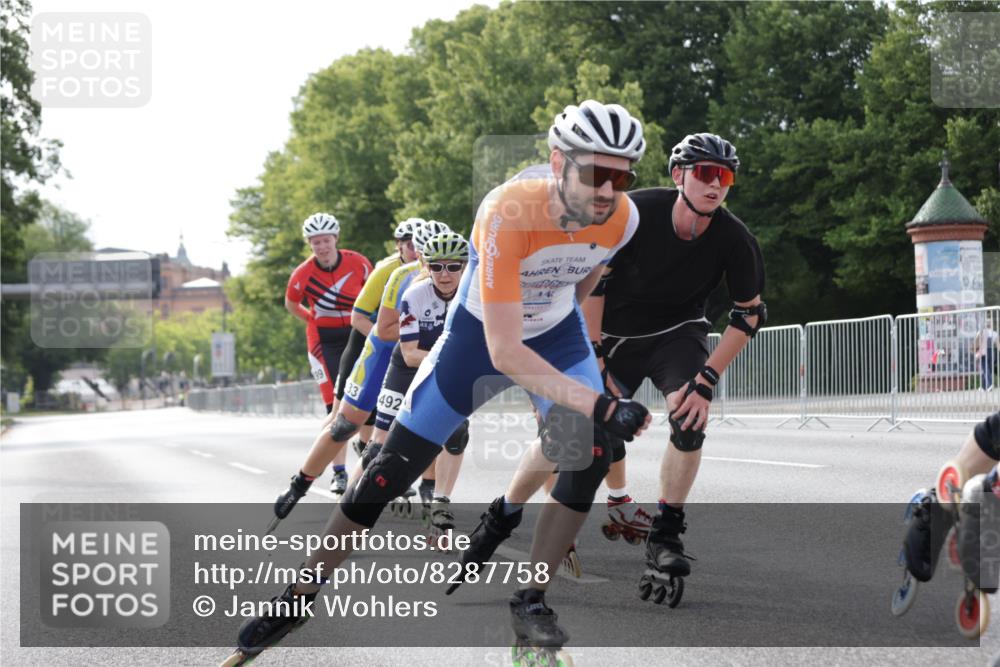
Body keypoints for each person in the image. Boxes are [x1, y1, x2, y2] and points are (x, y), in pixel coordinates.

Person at [230, 100, 651, 658]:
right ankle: (300, 594)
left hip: (556, 332)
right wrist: (598, 403)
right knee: (384, 474)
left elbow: (586, 277)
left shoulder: (625, 217)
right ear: (557, 162)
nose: (608, 190)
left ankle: (531, 599)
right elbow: (503, 349)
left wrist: (568, 376)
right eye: (596, 173)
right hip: (479, 336)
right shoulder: (506, 210)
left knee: (589, 451)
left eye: (621, 176)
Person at [457, 133, 765, 589]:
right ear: (679, 175)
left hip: (676, 335)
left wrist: (705, 381)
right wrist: (595, 357)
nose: (715, 185)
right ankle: (505, 512)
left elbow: (750, 313)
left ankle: (666, 532)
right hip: (609, 334)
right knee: (570, 430)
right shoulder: (636, 213)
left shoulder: (735, 238)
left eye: (725, 177)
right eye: (704, 174)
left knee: (691, 417)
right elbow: (591, 281)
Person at [269, 220, 449, 519]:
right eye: (426, 256)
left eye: (449, 263)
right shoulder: (397, 276)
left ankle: (431, 491)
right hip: (382, 351)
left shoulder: (460, 276)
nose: (441, 270)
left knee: (441, 428)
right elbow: (379, 327)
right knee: (344, 425)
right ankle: (299, 485)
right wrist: (415, 341)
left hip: (418, 355)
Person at [365, 231, 471, 539]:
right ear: (427, 266)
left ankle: (440, 503)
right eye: (437, 267)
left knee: (457, 433)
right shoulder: (415, 294)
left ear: (465, 267)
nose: (445, 274)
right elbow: (411, 355)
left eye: (453, 266)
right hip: (409, 366)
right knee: (378, 449)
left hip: (444, 369)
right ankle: (353, 510)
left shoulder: (473, 296)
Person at [285, 212, 372, 417]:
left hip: (356, 331)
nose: (322, 247)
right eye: (316, 243)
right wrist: (311, 319)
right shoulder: (302, 273)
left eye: (326, 240)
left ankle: (367, 444)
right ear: (309, 244)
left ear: (336, 238)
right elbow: (291, 304)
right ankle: (333, 444)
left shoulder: (358, 262)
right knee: (332, 403)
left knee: (367, 392)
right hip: (323, 340)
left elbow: (375, 294)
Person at [975, 321, 998, 391]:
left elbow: (976, 342)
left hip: (983, 352)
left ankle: (990, 384)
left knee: (985, 368)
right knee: (988, 369)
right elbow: (998, 344)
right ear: (991, 325)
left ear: (985, 325)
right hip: (991, 351)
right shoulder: (994, 333)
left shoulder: (981, 332)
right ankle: (983, 387)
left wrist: (976, 350)